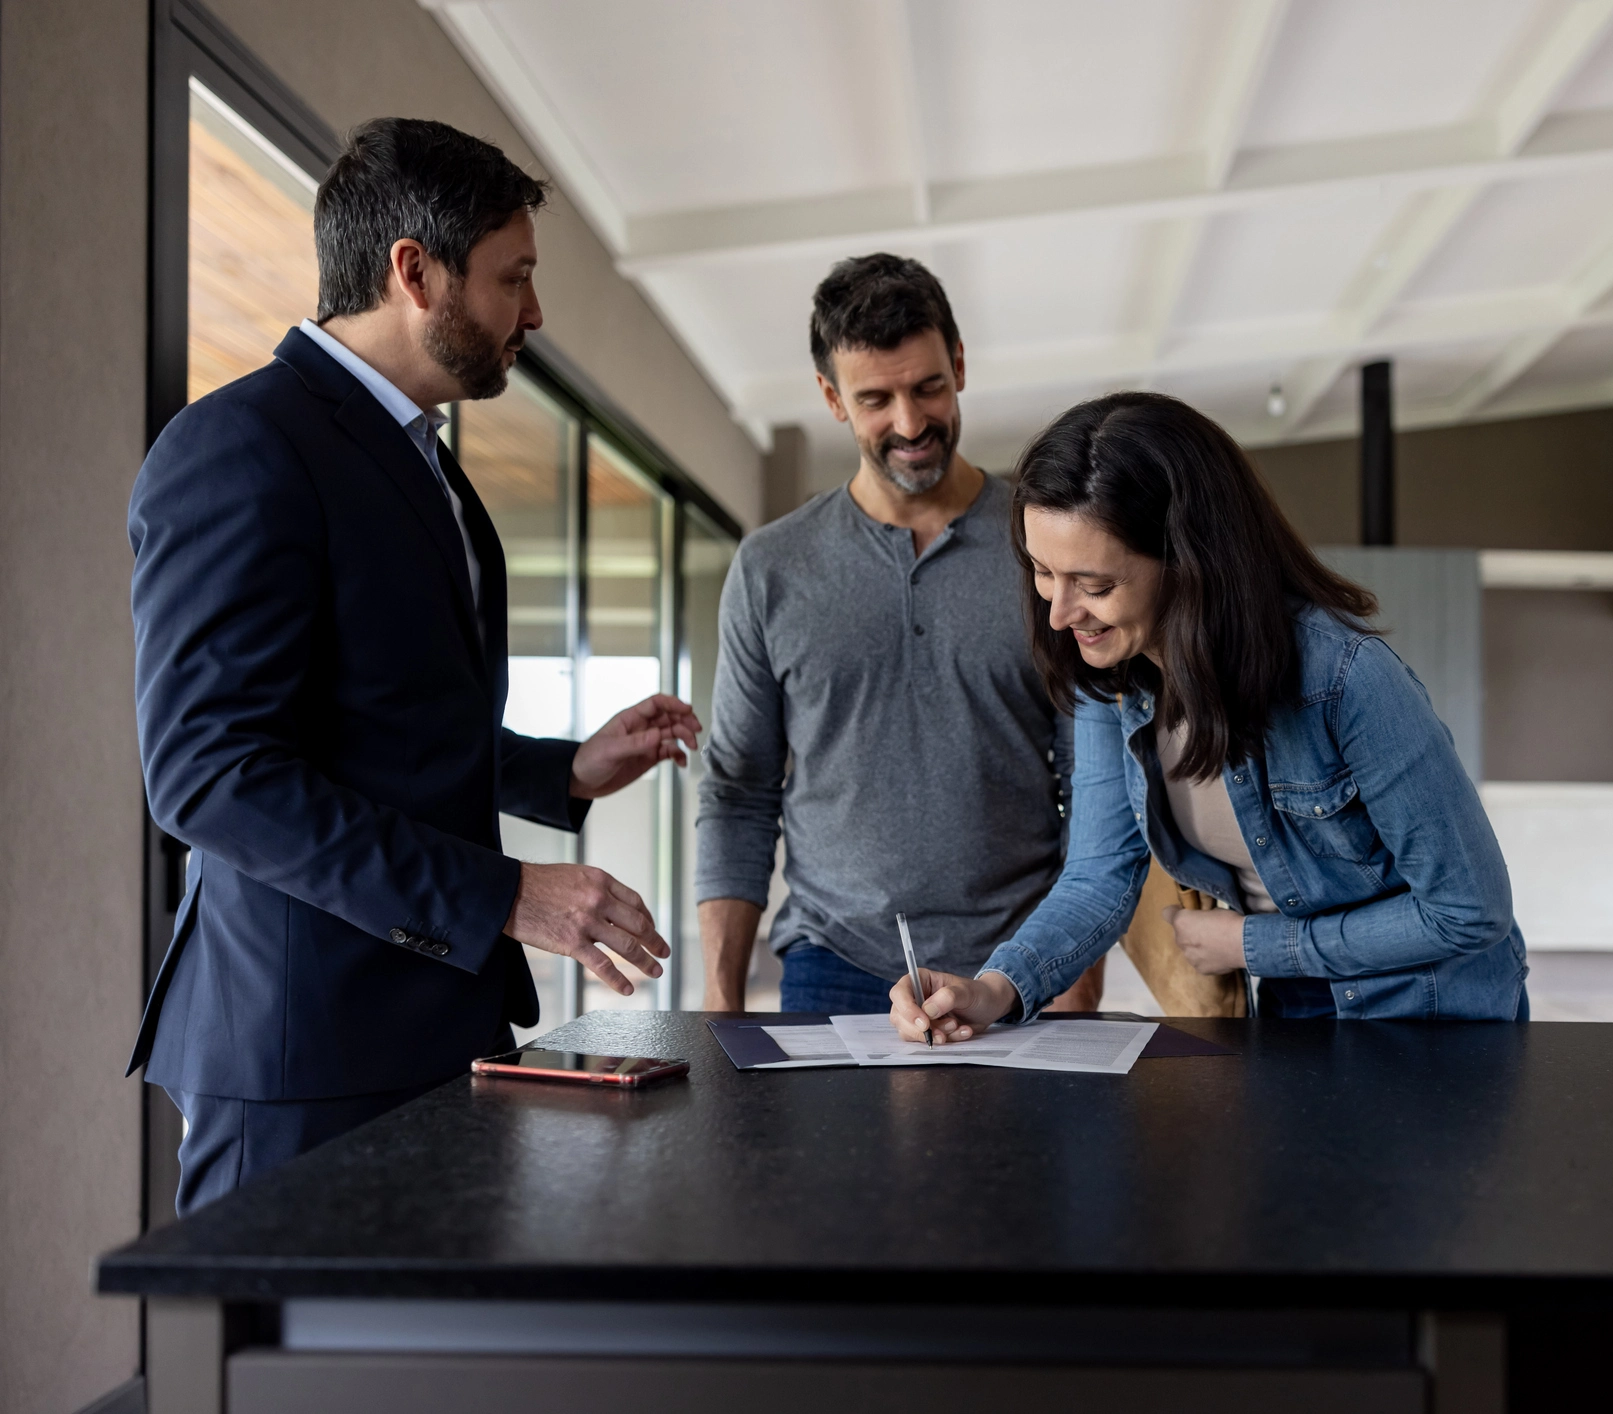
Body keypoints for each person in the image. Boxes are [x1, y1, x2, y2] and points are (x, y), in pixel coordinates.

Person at [129, 118, 699, 1215]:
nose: (532, 313)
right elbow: (212, 777)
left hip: (437, 1031)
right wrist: (504, 896)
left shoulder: (421, 457)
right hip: (303, 1062)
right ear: (413, 270)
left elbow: (377, 726)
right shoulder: (239, 446)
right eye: (513, 278)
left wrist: (562, 772)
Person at [892, 392, 1528, 1041]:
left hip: (1432, 1018)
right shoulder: (1110, 679)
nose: (1059, 613)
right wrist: (995, 988)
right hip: (1291, 1012)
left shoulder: (1345, 679)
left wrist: (1254, 946)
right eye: (1042, 573)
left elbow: (1469, 911)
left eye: (1096, 585)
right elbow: (1098, 875)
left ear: (1189, 561)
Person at [695, 253, 1098, 1014]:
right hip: (832, 960)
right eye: (876, 398)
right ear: (831, 398)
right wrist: (721, 1006)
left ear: (961, 366)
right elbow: (740, 790)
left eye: (928, 388)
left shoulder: (1044, 546)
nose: (910, 424)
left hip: (1021, 960)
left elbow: (1091, 779)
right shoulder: (772, 567)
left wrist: (1073, 972)